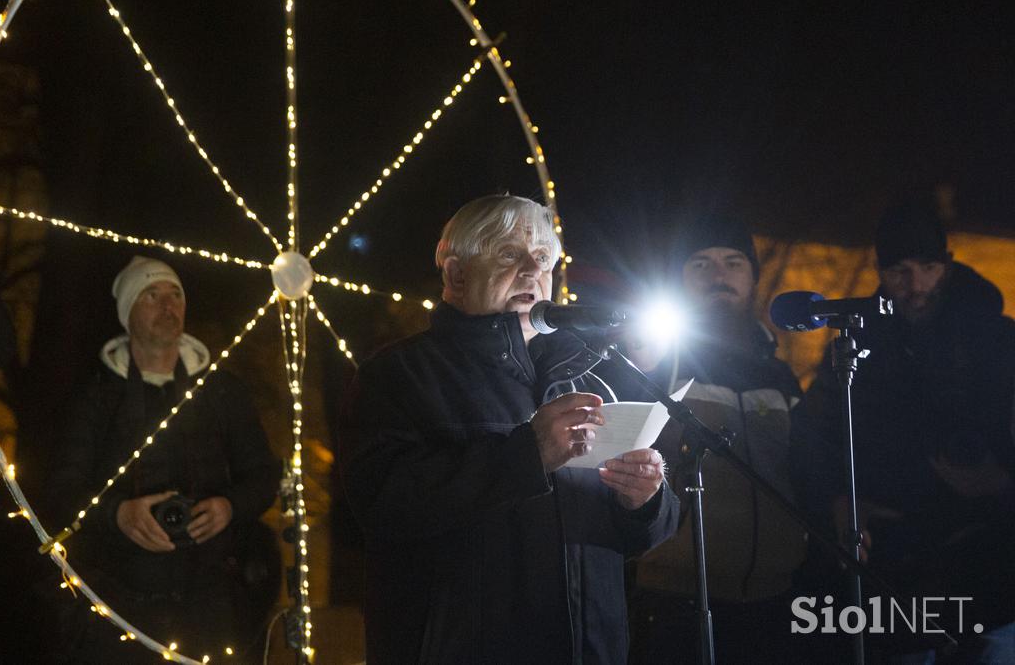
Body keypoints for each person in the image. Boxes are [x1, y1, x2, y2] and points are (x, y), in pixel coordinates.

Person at [339, 195, 678, 664]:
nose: (529, 271)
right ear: (456, 274)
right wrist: (527, 454)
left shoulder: (591, 377)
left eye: (542, 259)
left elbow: (639, 537)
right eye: (506, 254)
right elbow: (384, 504)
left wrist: (645, 500)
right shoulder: (398, 375)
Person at [804, 201, 1015, 662]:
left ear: (948, 265)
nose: (915, 287)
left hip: (988, 556)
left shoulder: (997, 341)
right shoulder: (856, 342)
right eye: (899, 271)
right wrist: (840, 500)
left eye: (928, 267)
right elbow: (819, 430)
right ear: (882, 272)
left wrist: (1001, 483)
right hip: (891, 561)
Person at [44, 256, 280, 663]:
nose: (167, 306)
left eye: (175, 295)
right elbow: (62, 491)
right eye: (151, 296)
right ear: (127, 311)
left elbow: (263, 476)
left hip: (212, 602)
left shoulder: (221, 391)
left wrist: (229, 507)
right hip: (115, 607)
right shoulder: (95, 397)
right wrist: (117, 515)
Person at [611, 212, 818, 664]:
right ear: (678, 279)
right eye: (701, 263)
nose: (718, 275)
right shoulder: (654, 363)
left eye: (733, 262)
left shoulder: (780, 375)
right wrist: (635, 371)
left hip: (774, 599)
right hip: (672, 600)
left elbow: (806, 472)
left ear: (753, 276)